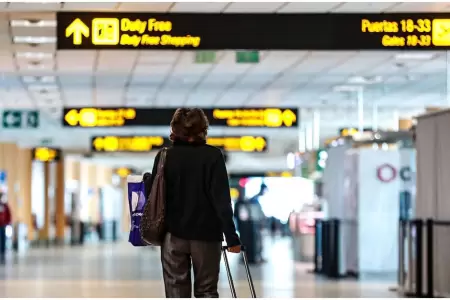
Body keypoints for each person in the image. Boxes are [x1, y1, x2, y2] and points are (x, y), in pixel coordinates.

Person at [148, 108, 241, 298]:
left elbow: (154, 195)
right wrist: (231, 237)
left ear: (174, 129)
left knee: (175, 291)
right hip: (206, 236)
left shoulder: (164, 156)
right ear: (203, 129)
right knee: (206, 291)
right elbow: (222, 200)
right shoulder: (213, 156)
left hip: (172, 236)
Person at [0, 192, 11, 263]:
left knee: (3, 238)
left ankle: (3, 251)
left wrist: (8, 222)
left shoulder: (5, 206)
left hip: (3, 225)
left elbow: (9, 214)